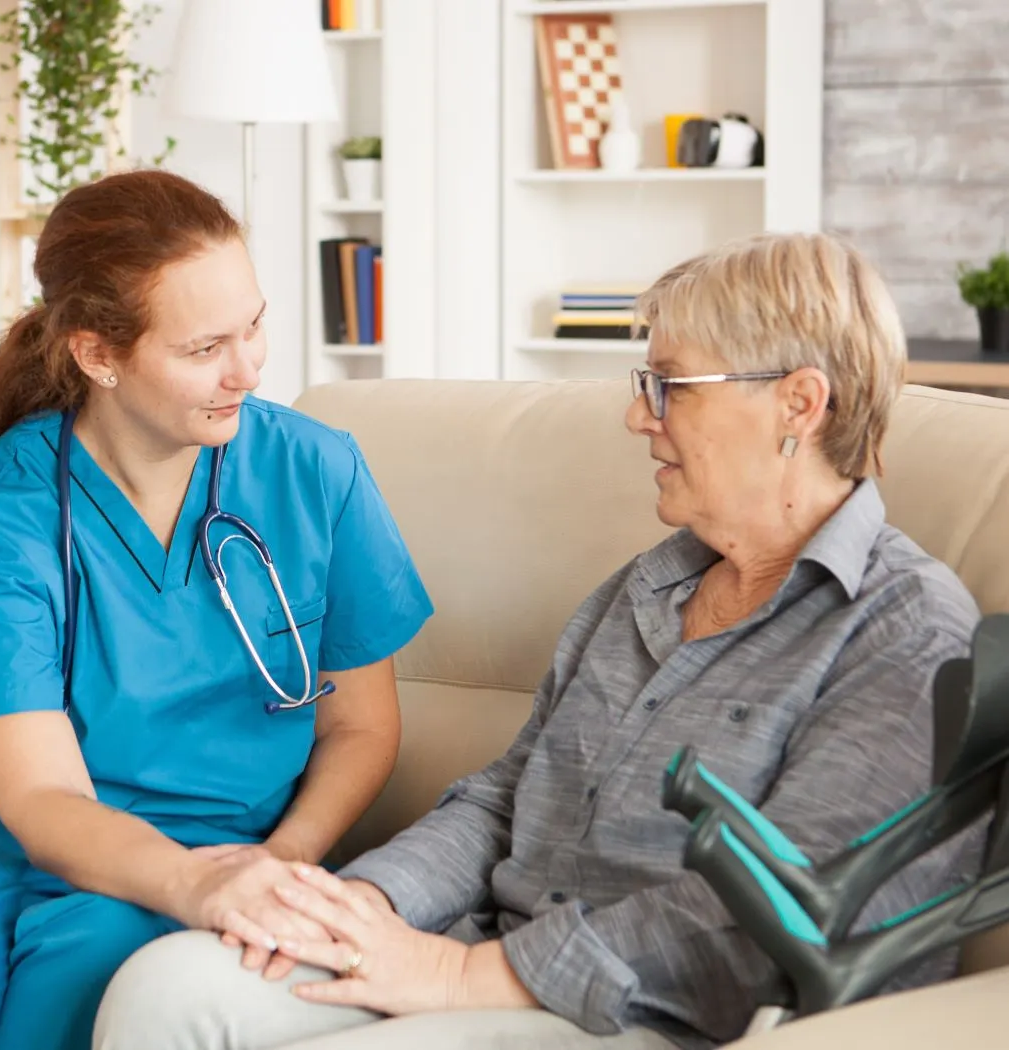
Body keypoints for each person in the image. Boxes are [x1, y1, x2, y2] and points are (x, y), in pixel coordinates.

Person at [91, 231, 987, 1050]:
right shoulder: (648, 589)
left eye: (669, 386)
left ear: (799, 403)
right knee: (164, 990)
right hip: (483, 953)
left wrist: (462, 977)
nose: (640, 417)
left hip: (653, 1016)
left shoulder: (905, 631)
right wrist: (360, 903)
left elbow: (787, 912)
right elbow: (503, 801)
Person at [0, 169, 434, 1050]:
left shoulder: (317, 471)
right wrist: (195, 887)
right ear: (98, 355)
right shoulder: (2, 514)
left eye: (253, 326)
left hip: (220, 838)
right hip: (7, 830)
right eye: (205, 348)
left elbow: (362, 725)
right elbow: (41, 793)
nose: (248, 369)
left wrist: (275, 865)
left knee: (70, 1003)